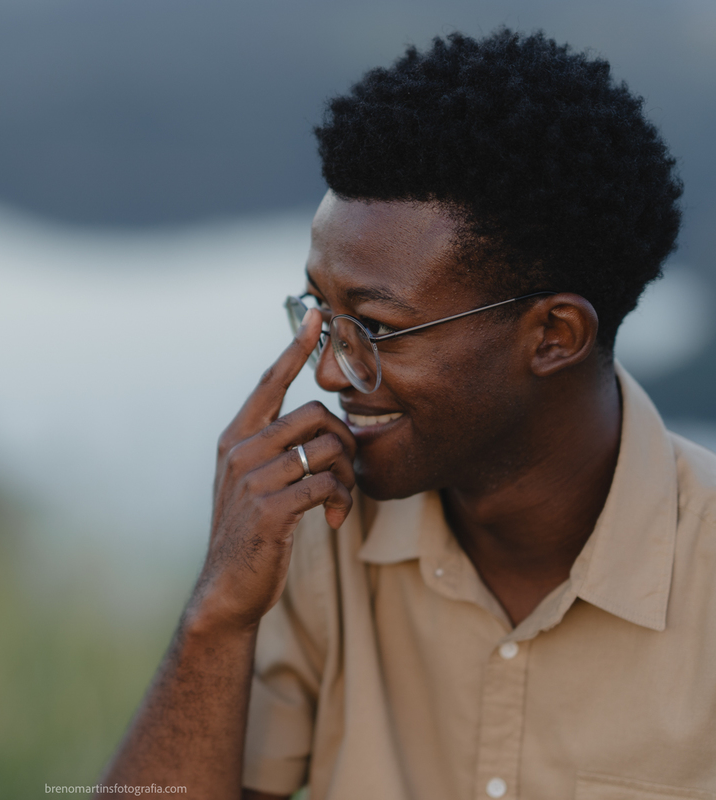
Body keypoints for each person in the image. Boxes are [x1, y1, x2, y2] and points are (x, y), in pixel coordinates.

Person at [96, 28, 716, 800]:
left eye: (377, 329)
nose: (327, 369)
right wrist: (215, 619)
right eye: (318, 309)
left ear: (554, 336)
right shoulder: (315, 530)